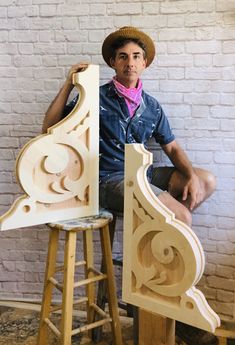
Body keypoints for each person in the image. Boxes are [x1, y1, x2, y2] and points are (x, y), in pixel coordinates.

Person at [42, 27, 218, 345]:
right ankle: (171, 307)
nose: (130, 63)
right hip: (108, 181)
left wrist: (190, 176)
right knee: (181, 217)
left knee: (206, 179)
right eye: (123, 57)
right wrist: (69, 83)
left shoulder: (151, 105)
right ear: (113, 62)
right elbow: (50, 126)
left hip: (142, 175)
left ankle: (149, 254)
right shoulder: (94, 97)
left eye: (136, 57)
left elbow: (173, 148)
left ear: (145, 63)